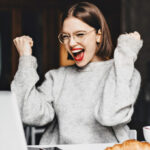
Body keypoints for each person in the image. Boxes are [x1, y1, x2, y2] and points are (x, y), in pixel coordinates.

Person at [11, 2, 143, 145]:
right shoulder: (57, 77)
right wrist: (25, 59)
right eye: (66, 36)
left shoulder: (124, 71)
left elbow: (111, 116)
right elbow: (29, 115)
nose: (71, 43)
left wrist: (125, 54)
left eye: (79, 34)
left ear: (99, 35)